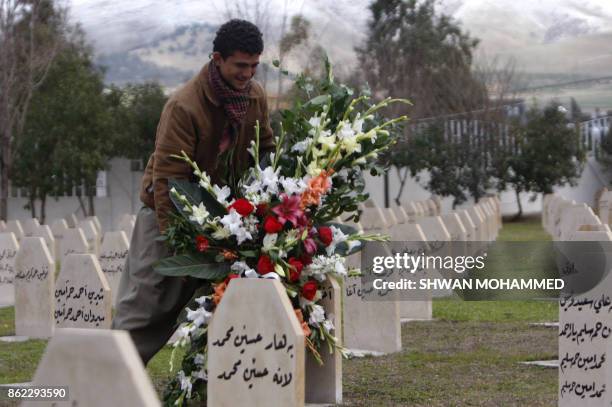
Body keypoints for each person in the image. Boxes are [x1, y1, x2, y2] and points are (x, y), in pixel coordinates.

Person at [112, 19, 275, 365]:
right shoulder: (184, 106)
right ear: (217, 59)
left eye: (254, 66)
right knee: (146, 304)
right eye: (240, 65)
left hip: (227, 218)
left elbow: (265, 150)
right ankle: (109, 380)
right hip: (166, 215)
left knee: (211, 300)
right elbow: (166, 179)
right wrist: (181, 244)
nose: (247, 74)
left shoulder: (255, 97)